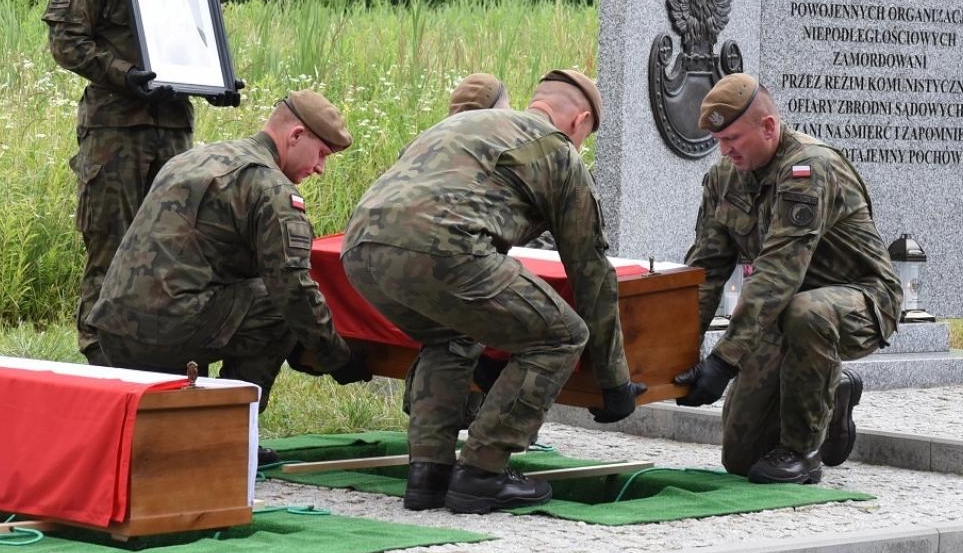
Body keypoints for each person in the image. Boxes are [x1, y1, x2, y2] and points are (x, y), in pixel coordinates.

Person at [341, 69, 643, 515]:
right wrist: (614, 379)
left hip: (359, 250)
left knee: (450, 336)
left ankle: (428, 474)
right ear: (579, 122)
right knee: (561, 335)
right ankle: (483, 471)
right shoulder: (560, 151)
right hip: (443, 248)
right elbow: (591, 272)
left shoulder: (463, 125)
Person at [44, 0, 240, 366]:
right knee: (111, 252)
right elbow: (67, 41)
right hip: (117, 132)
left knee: (171, 253)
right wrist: (126, 77)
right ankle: (104, 368)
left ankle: (157, 361)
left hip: (174, 131)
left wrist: (217, 82)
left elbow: (196, 43)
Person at [674, 74, 901, 485]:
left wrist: (723, 361)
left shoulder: (809, 169)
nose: (724, 150)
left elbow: (779, 271)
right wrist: (673, 352)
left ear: (768, 127)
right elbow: (706, 271)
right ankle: (831, 389)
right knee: (741, 458)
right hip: (782, 313)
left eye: (733, 139)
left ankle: (803, 452)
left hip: (860, 301)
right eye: (719, 140)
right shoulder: (724, 178)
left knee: (806, 312)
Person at [88, 91, 369, 418]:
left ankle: (194, 425)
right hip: (164, 333)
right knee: (278, 306)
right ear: (295, 136)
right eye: (321, 153)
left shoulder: (193, 159)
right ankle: (234, 430)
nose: (320, 167)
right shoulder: (272, 188)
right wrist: (337, 357)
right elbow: (293, 290)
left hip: (113, 326)